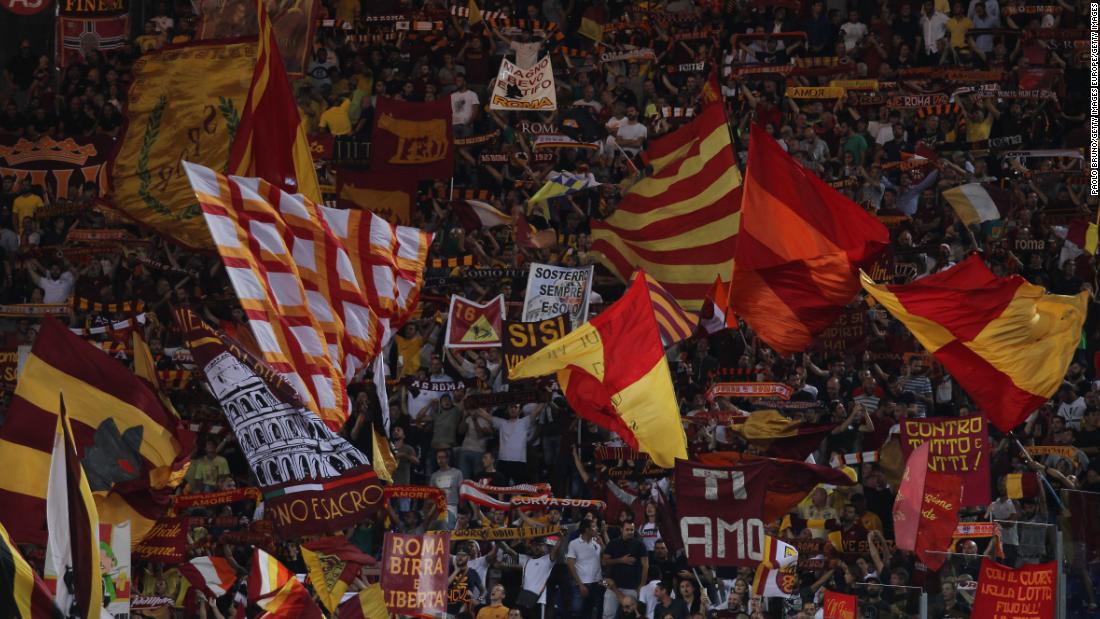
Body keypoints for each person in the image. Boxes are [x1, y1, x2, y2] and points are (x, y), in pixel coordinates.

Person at [568, 518, 605, 618]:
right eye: (594, 526)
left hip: (597, 583)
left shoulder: (597, 543)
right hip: (580, 584)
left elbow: (606, 559)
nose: (596, 528)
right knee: (577, 612)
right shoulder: (574, 543)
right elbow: (571, 565)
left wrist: (602, 544)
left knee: (594, 612)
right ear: (586, 529)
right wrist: (580, 584)